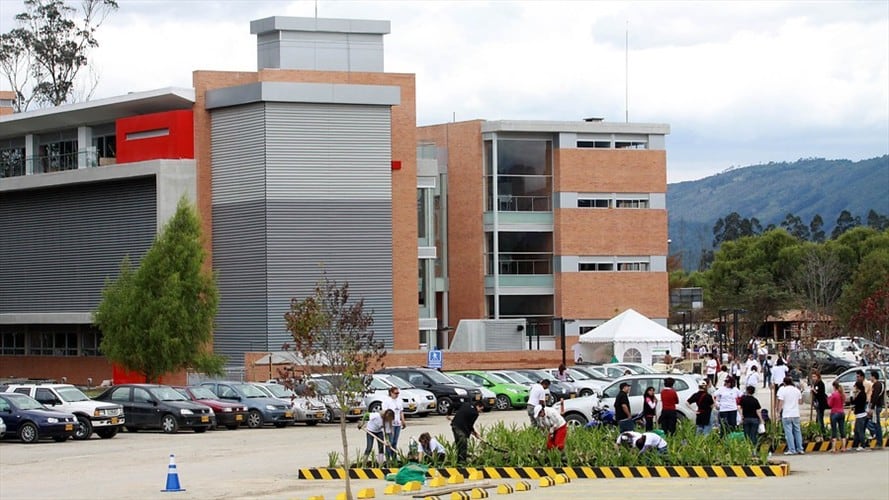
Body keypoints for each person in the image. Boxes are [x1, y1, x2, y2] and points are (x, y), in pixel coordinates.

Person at [777, 376, 803, 455]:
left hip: (787, 414)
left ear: (784, 383)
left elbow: (781, 402)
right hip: (795, 414)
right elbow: (800, 402)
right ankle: (800, 448)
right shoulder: (797, 390)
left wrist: (778, 412)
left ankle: (792, 449)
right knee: (797, 432)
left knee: (789, 433)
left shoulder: (783, 390)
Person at [382, 386, 406, 458]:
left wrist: (403, 421)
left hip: (397, 424)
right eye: (395, 393)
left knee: (395, 442)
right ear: (391, 393)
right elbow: (385, 413)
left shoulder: (399, 401)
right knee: (390, 442)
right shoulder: (387, 401)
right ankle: (388, 458)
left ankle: (394, 458)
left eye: (398, 393)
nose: (397, 394)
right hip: (390, 424)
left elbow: (401, 411)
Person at [827, 380, 847, 453]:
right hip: (842, 412)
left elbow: (830, 404)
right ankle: (844, 447)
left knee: (834, 430)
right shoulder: (842, 394)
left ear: (834, 387)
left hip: (834, 413)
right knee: (842, 430)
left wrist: (828, 398)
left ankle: (833, 448)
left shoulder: (834, 394)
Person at [850, 380, 869, 451]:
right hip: (859, 415)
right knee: (856, 430)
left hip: (860, 415)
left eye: (855, 386)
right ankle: (855, 444)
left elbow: (854, 402)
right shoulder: (861, 393)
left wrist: (852, 395)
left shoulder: (861, 394)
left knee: (860, 431)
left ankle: (863, 445)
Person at [868, 370, 884, 448]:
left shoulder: (877, 385)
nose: (870, 378)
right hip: (878, 406)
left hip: (876, 407)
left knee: (877, 424)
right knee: (875, 423)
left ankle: (879, 442)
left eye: (870, 376)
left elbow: (875, 397)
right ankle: (877, 438)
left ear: (873, 377)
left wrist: (871, 407)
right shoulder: (880, 384)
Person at [811, 370, 828, 440]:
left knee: (820, 419)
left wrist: (813, 390)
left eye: (814, 376)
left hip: (821, 404)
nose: (813, 378)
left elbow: (819, 394)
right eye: (812, 377)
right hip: (817, 403)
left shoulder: (820, 383)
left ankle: (824, 434)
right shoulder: (815, 383)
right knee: (818, 419)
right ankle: (819, 432)